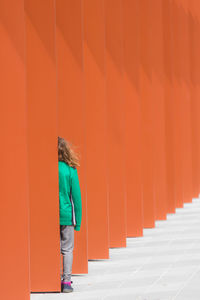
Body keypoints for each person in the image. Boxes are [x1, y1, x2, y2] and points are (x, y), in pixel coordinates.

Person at [58, 137, 82, 293]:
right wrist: (78, 221)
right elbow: (76, 197)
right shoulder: (70, 169)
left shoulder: (48, 168)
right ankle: (66, 281)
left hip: (49, 216)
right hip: (67, 214)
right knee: (67, 249)